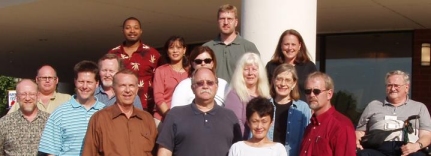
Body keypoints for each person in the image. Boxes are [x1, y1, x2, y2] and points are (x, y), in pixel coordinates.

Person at [157, 68, 242, 156]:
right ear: (192, 88)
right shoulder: (175, 115)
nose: (205, 86)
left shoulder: (229, 117)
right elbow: (165, 152)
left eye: (210, 83)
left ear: (216, 87)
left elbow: (239, 151)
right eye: (200, 83)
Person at [82, 69, 157, 156]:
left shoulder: (147, 119)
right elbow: (89, 152)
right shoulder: (100, 119)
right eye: (122, 86)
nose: (128, 90)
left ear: (136, 90)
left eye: (131, 85)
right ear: (114, 90)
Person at [356, 70, 431, 156]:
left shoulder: (419, 107)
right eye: (389, 85)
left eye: (396, 85)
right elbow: (360, 131)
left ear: (406, 87)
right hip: (378, 149)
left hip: (408, 149)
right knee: (364, 154)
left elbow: (426, 135)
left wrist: (416, 146)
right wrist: (357, 143)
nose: (392, 89)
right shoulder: (373, 105)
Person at [38, 61, 105, 155]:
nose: (85, 86)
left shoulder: (105, 112)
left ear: (97, 83)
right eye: (81, 82)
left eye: (89, 82)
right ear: (75, 82)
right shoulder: (60, 113)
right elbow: (51, 151)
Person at [108, 17, 161, 112]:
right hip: (118, 106)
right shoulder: (113, 54)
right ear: (122, 31)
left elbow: (160, 81)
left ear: (141, 31)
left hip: (146, 108)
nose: (132, 31)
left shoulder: (152, 54)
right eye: (128, 28)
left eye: (136, 28)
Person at [299, 71, 356, 156]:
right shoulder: (309, 128)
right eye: (308, 91)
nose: (311, 95)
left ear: (329, 94)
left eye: (316, 91)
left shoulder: (341, 126)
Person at [203, 4, 260, 83]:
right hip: (213, 94)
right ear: (218, 22)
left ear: (236, 22)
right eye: (222, 19)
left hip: (240, 94)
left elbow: (258, 75)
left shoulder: (248, 47)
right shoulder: (207, 48)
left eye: (229, 19)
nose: (226, 22)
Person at [267, 64, 312, 156]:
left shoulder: (303, 108)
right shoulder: (264, 106)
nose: (283, 84)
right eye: (279, 79)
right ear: (273, 81)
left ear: (294, 83)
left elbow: (308, 139)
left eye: (287, 80)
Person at [225, 52, 271, 139]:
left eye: (254, 69)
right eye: (246, 69)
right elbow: (235, 123)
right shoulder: (234, 95)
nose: (250, 73)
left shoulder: (266, 95)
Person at [0, 79, 50, 155]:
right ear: (16, 97)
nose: (27, 98)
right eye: (23, 94)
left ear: (38, 96)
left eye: (31, 94)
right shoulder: (4, 123)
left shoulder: (50, 121)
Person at [265, 29, 317, 101]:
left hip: (301, 110)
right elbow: (263, 89)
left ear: (299, 46)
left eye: (293, 44)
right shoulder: (271, 66)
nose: (290, 48)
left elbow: (315, 91)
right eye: (286, 44)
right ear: (281, 46)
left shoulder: (309, 66)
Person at [153, 36, 189, 125]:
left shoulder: (190, 72)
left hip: (187, 120)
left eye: (179, 47)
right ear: (167, 51)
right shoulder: (161, 71)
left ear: (184, 50)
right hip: (163, 118)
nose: (175, 51)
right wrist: (169, 116)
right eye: (171, 47)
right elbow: (158, 97)